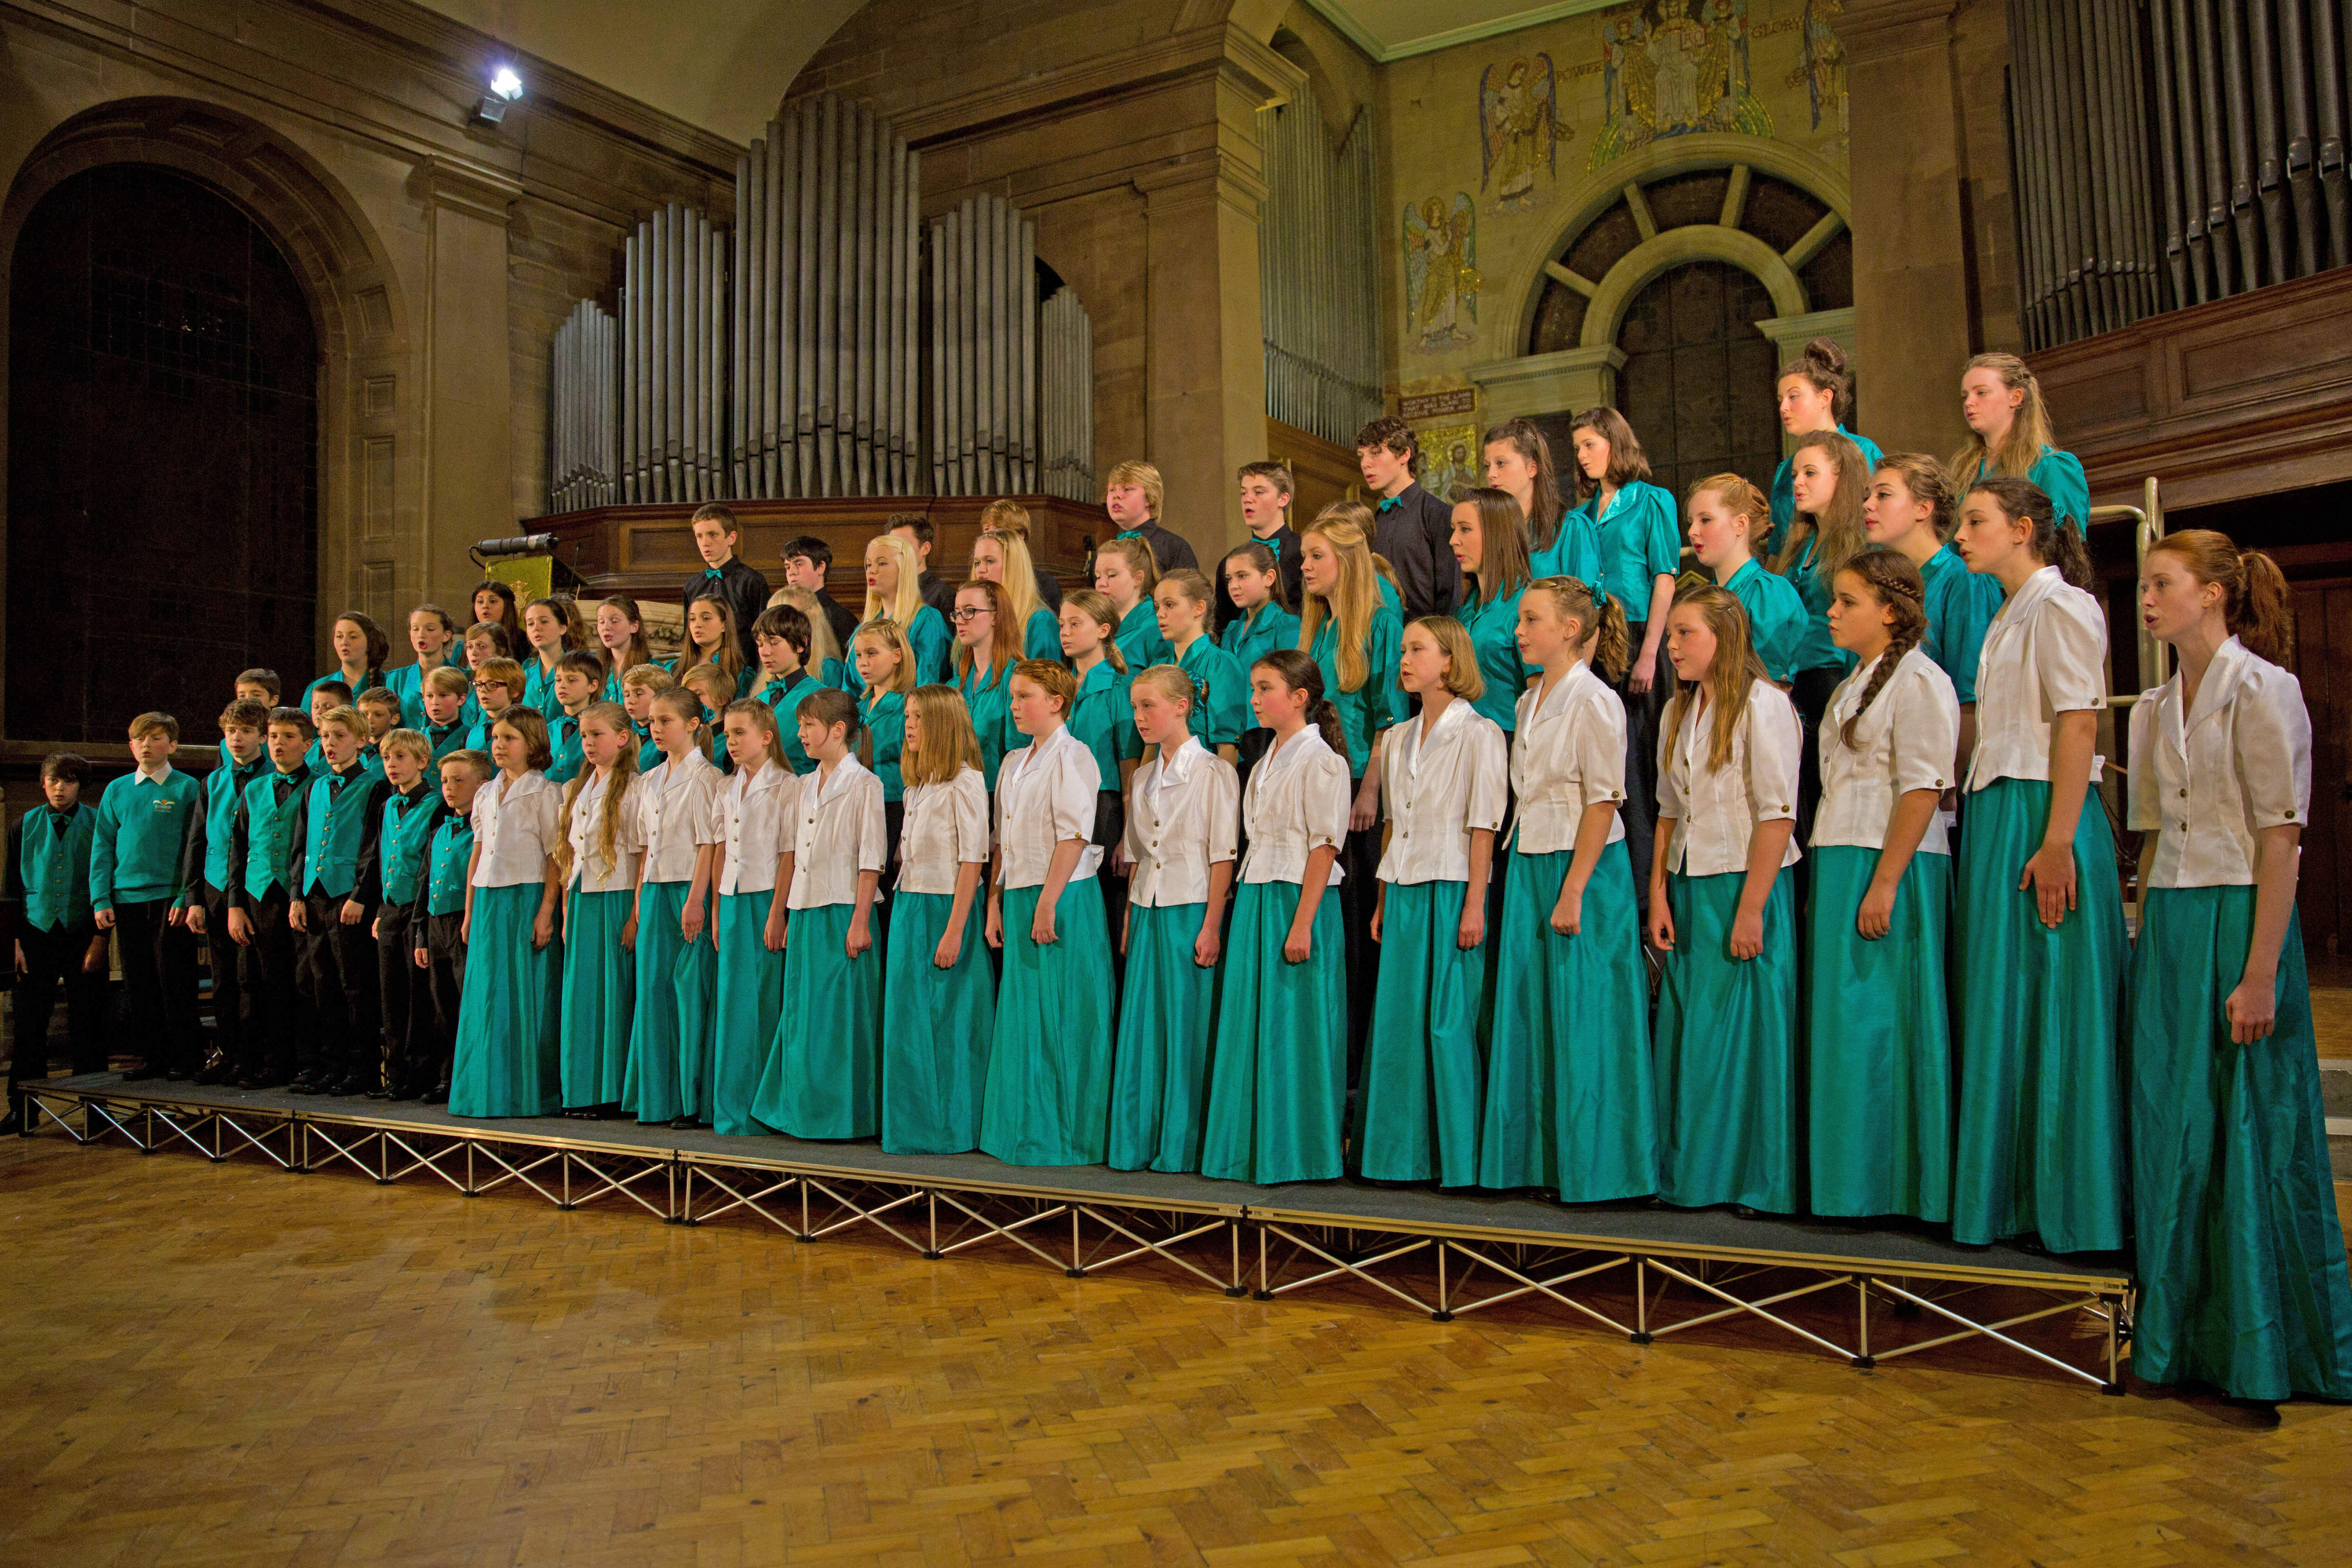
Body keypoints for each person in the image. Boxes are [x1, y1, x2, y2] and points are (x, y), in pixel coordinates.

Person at [2127, 528, 2352, 1402]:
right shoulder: (2151, 707)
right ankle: (2181, 1339)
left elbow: (2281, 838)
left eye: (2162, 584)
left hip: (2240, 917)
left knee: (2249, 1122)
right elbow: (2153, 836)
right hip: (2176, 922)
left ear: (2214, 593)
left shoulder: (2266, 689)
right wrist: (2147, 934)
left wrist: (2260, 975)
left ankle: (2269, 1348)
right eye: (2142, 586)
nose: (2147, 600)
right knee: (2174, 1125)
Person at [1949, 476, 2126, 1253]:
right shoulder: (2005, 614)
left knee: (2053, 998)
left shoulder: (2060, 606)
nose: (1961, 536)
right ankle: (2013, 1192)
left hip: (2041, 811)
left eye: (1976, 522)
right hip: (2001, 808)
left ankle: (2070, 1200)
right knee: (2007, 996)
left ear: (2023, 529)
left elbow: (2078, 722)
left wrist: (2058, 841)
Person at [1478, 577, 1652, 1199]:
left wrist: (1575, 888)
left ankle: (1598, 1165)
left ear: (1571, 630)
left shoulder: (1596, 700)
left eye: (1530, 620)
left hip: (1583, 867)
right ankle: (1540, 1160)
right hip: (1531, 856)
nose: (1517, 631)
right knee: (1533, 1005)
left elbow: (1604, 800)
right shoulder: (1528, 703)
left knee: (1585, 1008)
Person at [1808, 550, 1960, 1222]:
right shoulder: (1852, 685)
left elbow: (1923, 787)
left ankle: (1896, 1185)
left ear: (1890, 611)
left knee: (1883, 1024)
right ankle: (1849, 1181)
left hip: (1890, 863)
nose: (1833, 612)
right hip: (1845, 857)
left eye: (1847, 601)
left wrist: (1885, 882)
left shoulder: (1921, 681)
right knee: (1846, 1026)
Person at [1648, 585, 1804, 1214]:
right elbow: (1667, 811)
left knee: (1745, 1034)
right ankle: (1694, 1172)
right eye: (1671, 635)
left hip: (1745, 881)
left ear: (1726, 638)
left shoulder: (1764, 706)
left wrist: (1752, 907)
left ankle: (1751, 1179)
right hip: (1691, 879)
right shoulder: (1676, 712)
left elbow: (1778, 812)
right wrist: (1658, 893)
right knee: (1695, 1036)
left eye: (1687, 634)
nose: (1673, 646)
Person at [1356, 618, 1505, 1187]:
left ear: (1450, 660)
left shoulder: (1480, 733)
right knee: (1398, 1022)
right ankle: (1398, 1156)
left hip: (1451, 885)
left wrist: (1474, 902)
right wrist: (1382, 897)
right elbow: (1393, 824)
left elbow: (1483, 823)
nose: (1405, 658)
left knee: (1447, 1022)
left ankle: (1454, 1158)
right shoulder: (1395, 738)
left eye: (1418, 649)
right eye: (1403, 650)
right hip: (1405, 886)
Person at [1200, 650, 1350, 1184]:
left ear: (1300, 698)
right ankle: (1248, 1146)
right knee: (1251, 1021)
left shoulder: (1323, 761)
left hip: (1296, 901)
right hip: (1260, 895)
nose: (1255, 698)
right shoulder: (1265, 761)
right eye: (1254, 688)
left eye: (1266, 689)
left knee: (1295, 1026)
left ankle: (1299, 1150)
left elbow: (1324, 846)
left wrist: (1304, 922)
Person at [981, 660, 1116, 1166]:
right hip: (1019, 892)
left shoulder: (1073, 756)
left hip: (1060, 895)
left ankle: (1068, 1134)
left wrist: (1048, 902)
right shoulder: (1014, 760)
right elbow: (1003, 839)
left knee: (1063, 1010)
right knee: (1025, 1014)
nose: (1014, 706)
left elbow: (1074, 834)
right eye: (1012, 697)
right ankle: (1024, 1127)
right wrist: (994, 900)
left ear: (1056, 702)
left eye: (1025, 697)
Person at [1110, 666, 1238, 1174]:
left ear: (1182, 706)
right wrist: (1128, 918)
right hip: (1148, 910)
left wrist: (1211, 926)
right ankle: (1138, 1139)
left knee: (1185, 1026)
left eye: (1150, 706)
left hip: (1190, 909)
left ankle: (1182, 1145)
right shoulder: (1143, 776)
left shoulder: (1213, 772)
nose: (1140, 717)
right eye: (1136, 707)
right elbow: (1139, 854)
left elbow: (1222, 856)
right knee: (1145, 1027)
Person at [1297, 506, 1405, 1065]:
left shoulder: (1380, 625)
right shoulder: (1321, 629)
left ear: (1347, 559)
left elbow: (1390, 717)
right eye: (1306, 558)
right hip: (1322, 781)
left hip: (1363, 780)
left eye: (1317, 556)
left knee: (1359, 916)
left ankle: (1362, 1054)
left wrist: (1369, 792)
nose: (1307, 567)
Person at [755, 689, 888, 1140]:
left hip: (843, 909)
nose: (801, 735)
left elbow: (871, 859)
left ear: (836, 730)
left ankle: (844, 1115)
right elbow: (792, 854)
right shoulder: (802, 785)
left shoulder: (866, 784)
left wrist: (860, 920)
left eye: (809, 725)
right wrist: (781, 913)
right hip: (807, 908)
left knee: (839, 1015)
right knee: (804, 1013)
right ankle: (803, 1110)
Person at [1567, 406, 1681, 922]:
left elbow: (1664, 575)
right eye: (1578, 449)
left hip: (1638, 635)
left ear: (1616, 441)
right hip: (1597, 638)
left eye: (1591, 444)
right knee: (1607, 764)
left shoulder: (1653, 500)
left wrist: (1652, 652)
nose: (1583, 456)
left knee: (1640, 762)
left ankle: (1650, 890)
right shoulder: (1583, 514)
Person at [881, 686, 995, 1155]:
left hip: (948, 908)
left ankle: (951, 1127)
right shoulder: (918, 786)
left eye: (920, 718)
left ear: (944, 724)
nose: (909, 725)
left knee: (949, 1020)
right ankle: (914, 1127)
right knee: (910, 1019)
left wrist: (954, 930)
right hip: (911, 905)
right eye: (908, 716)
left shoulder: (965, 782)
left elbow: (974, 860)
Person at [448, 709, 563, 1118]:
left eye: (509, 738)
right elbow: (478, 852)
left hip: (525, 897)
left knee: (524, 993)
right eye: (496, 738)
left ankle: (524, 1093)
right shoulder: (484, 793)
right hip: (489, 899)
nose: (499, 745)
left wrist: (546, 912)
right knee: (486, 993)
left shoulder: (546, 794)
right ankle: (481, 1092)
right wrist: (469, 911)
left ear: (531, 745)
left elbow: (555, 857)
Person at [1864, 454, 2003, 775]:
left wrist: (1948, 784)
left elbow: (1969, 697)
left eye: (1883, 495)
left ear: (1923, 509)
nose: (1869, 505)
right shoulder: (1878, 587)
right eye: (1868, 496)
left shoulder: (1963, 580)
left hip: (1936, 770)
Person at [625, 688, 723, 1128]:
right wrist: (639, 903)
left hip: (687, 889)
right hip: (655, 889)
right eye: (652, 721)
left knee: (687, 994)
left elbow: (708, 844)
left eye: (666, 721)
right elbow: (645, 848)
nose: (657, 729)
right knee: (654, 992)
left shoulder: (708, 778)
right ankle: (658, 1097)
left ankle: (689, 1099)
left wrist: (697, 900)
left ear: (693, 725)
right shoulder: (648, 780)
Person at [1773, 431, 1874, 844]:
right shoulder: (1801, 545)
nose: (1798, 482)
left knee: (1823, 797)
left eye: (1810, 473)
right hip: (1795, 683)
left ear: (1842, 479)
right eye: (1796, 473)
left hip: (1830, 679)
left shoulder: (1855, 545)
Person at [91, 712, 204, 1078]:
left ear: (172, 745)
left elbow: (196, 847)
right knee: (139, 982)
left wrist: (185, 897)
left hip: (170, 899)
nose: (145, 745)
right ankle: (152, 1057)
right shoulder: (117, 789)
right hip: (126, 899)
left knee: (175, 980)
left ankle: (185, 1058)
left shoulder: (188, 788)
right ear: (130, 745)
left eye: (155, 738)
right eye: (139, 738)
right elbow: (103, 845)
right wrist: (101, 898)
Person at [287, 705, 392, 1095]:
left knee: (355, 985)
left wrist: (361, 896)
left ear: (362, 742)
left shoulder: (375, 787)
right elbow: (301, 846)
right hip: (315, 896)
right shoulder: (314, 787)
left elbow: (373, 848)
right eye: (327, 737)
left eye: (341, 737)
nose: (331, 745)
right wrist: (297, 894)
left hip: (349, 897)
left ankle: (360, 1068)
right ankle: (329, 1065)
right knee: (320, 983)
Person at [4, 754, 107, 1126]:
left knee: (89, 1023)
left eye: (69, 781)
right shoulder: (22, 825)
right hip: (35, 934)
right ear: (42, 784)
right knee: (30, 1024)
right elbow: (11, 888)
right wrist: (12, 943)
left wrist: (100, 940)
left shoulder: (98, 823)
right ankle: (22, 1108)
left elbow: (105, 883)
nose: (60, 788)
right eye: (54, 781)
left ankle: (97, 1108)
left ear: (81, 786)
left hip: (82, 932)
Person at [709, 700, 795, 1137]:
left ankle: (762, 1110)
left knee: (763, 1000)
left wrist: (778, 912)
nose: (732, 741)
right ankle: (731, 1108)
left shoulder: (787, 786)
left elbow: (788, 854)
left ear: (766, 737)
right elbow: (722, 848)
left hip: (766, 899)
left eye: (740, 733)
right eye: (727, 734)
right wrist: (717, 908)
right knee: (733, 1003)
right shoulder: (726, 787)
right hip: (734, 898)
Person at [556, 702, 642, 1120]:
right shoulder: (577, 787)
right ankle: (582, 1089)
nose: (588, 743)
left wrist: (634, 914)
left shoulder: (635, 787)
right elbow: (571, 856)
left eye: (597, 735)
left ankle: (612, 1091)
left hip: (617, 895)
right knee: (583, 996)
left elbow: (643, 854)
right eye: (584, 735)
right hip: (585, 897)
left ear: (622, 739)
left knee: (614, 993)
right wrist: (569, 911)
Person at [179, 699, 269, 1083]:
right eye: (231, 731)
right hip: (215, 886)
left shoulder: (270, 778)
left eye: (246, 731)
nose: (237, 738)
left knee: (251, 978)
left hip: (253, 888)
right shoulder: (212, 782)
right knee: (222, 979)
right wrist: (193, 898)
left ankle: (253, 1058)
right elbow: (196, 841)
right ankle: (229, 1056)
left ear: (262, 737)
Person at [225, 709, 315, 1089]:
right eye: (274, 735)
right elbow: (238, 848)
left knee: (301, 982)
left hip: (301, 896)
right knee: (260, 982)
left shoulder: (319, 786)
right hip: (258, 893)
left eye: (289, 736)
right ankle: (266, 1061)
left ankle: (303, 1062)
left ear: (308, 745)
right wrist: (234, 905)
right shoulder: (254, 789)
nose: (279, 743)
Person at [357, 728, 444, 1100]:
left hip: (417, 908)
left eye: (401, 758)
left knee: (417, 996)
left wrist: (420, 917)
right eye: (387, 759)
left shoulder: (436, 804)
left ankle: (420, 1073)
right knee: (390, 994)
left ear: (423, 762)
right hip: (391, 908)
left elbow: (429, 865)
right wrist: (379, 908)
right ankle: (394, 1074)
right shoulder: (387, 805)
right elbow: (379, 858)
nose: (392, 766)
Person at [409, 749, 484, 1105]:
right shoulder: (440, 829)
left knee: (465, 1001)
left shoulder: (483, 830)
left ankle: (468, 1078)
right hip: (437, 922)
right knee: (442, 1005)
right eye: (445, 781)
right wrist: (422, 933)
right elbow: (425, 882)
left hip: (463, 921)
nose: (449, 788)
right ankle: (446, 1076)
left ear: (482, 785)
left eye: (459, 780)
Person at [1951, 352, 2091, 535]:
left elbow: (2066, 547)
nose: (1969, 402)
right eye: (1965, 396)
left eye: (1981, 393)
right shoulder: (1964, 469)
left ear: (2016, 397)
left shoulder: (2052, 467)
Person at [1766, 339, 1883, 557]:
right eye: (1781, 399)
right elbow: (1778, 549)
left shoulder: (1863, 451)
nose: (1783, 407)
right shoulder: (1785, 471)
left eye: (1794, 396)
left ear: (1825, 397)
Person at [1686, 474, 1806, 684]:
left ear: (1740, 524)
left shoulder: (1768, 593)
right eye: (1692, 522)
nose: (1692, 531)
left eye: (1705, 520)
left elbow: (1773, 688)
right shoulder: (1706, 597)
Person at [1446, 488, 1536, 735]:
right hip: (1463, 741)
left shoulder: (1526, 604)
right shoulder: (1465, 609)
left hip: (1507, 741)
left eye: (1465, 529)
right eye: (1454, 529)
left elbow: (1540, 693)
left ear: (1498, 533)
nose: (1454, 539)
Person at [1354, 415, 1461, 620]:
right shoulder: (1373, 521)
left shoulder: (1439, 514)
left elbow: (1450, 596)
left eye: (1376, 453)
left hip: (1426, 639)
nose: (1365, 464)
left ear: (1404, 455)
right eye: (1362, 456)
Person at [1484, 417, 1597, 582]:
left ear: (1532, 468)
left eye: (1501, 463)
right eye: (1487, 466)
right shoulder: (1491, 532)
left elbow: (1585, 600)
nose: (1491, 474)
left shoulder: (1570, 528)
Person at [1155, 569, 1247, 760]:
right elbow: (1151, 744)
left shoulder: (1220, 664)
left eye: (1169, 605)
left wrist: (1221, 789)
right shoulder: (1158, 667)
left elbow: (1227, 744)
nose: (1160, 614)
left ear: (1199, 608)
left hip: (1202, 778)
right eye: (1157, 607)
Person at [853, 619, 916, 868]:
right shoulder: (856, 709)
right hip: (859, 806)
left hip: (893, 809)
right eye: (858, 655)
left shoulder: (908, 707)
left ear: (897, 655)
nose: (863, 662)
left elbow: (917, 775)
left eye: (872, 653)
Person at [1219, 462, 1305, 630]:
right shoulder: (1229, 564)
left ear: (1283, 499)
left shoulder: (1305, 554)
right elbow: (1223, 623)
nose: (1247, 499)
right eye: (1243, 493)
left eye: (1259, 492)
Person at [953, 579, 1021, 789]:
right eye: (957, 613)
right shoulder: (955, 686)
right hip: (960, 796)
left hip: (1000, 796)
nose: (959, 621)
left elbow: (1019, 754)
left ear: (995, 616)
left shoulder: (1017, 678)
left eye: (970, 611)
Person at [860, 532, 953, 686]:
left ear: (903, 568)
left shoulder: (925, 620)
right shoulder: (866, 626)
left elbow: (928, 685)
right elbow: (852, 687)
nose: (872, 571)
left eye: (882, 563)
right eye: (869, 565)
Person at [684, 501, 774, 650]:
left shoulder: (752, 581)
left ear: (731, 538)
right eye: (699, 536)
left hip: (744, 668)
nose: (705, 543)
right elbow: (688, 640)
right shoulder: (692, 587)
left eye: (713, 535)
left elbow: (763, 634)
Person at [749, 604, 828, 773]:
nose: (765, 652)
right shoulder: (760, 699)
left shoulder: (819, 696)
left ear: (801, 644)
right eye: (760, 644)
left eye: (774, 643)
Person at [971, 526, 1060, 659]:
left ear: (1014, 565)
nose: (980, 570)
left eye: (990, 561)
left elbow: (1046, 679)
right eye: (977, 563)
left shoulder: (1040, 621)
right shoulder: (970, 617)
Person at [1103, 459, 1199, 575]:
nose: (1116, 495)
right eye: (1112, 490)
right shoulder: (1104, 552)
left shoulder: (1175, 548)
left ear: (1149, 498)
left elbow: (1188, 592)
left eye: (1127, 489)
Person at [1218, 541, 1301, 672]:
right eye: (1230, 579)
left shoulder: (1286, 626)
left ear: (1269, 578)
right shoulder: (1231, 630)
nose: (1233, 586)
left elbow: (1293, 681)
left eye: (1242, 576)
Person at [1095, 536, 1171, 670]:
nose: (1101, 584)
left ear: (1137, 578)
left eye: (1112, 575)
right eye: (1098, 576)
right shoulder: (1094, 624)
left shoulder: (1156, 628)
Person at [385, 605, 467, 728]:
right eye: (415, 629)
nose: (421, 635)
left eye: (430, 629)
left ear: (446, 635)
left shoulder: (463, 676)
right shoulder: (397, 678)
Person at [978, 498, 1065, 612]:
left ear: (1020, 536)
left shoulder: (1045, 585)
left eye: (999, 529)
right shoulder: (981, 581)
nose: (991, 535)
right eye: (987, 529)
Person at [780, 534, 862, 652]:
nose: (791, 572)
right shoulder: (785, 613)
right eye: (788, 567)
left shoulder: (841, 618)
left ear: (820, 567)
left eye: (799, 564)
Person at [303, 612, 390, 710]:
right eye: (339, 637)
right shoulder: (318, 687)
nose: (344, 643)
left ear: (370, 643)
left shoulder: (390, 683)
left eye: (353, 637)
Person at [519, 597, 588, 718]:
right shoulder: (526, 676)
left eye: (544, 622)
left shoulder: (579, 670)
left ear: (562, 628)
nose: (536, 628)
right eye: (531, 624)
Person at [543, 651, 604, 785]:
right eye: (558, 680)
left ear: (592, 686)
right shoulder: (547, 730)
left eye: (572, 680)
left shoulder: (601, 729)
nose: (562, 685)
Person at [886, 512, 960, 621]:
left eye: (904, 545)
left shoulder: (942, 594)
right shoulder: (887, 590)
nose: (896, 552)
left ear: (925, 549)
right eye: (893, 546)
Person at [679, 595, 752, 701]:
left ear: (724, 624)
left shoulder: (741, 674)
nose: (697, 625)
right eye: (693, 619)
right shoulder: (674, 668)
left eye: (706, 618)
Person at [593, 596, 655, 702]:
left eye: (615, 621)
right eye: (602, 622)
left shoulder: (653, 671)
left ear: (634, 626)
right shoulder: (594, 667)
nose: (606, 627)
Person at [418, 666, 474, 768]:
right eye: (430, 696)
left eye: (443, 696)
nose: (435, 702)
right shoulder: (417, 739)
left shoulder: (470, 737)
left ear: (461, 699)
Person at [470, 580, 523, 649]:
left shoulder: (524, 643)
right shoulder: (463, 646)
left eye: (493, 601)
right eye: (480, 602)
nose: (485, 606)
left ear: (507, 606)